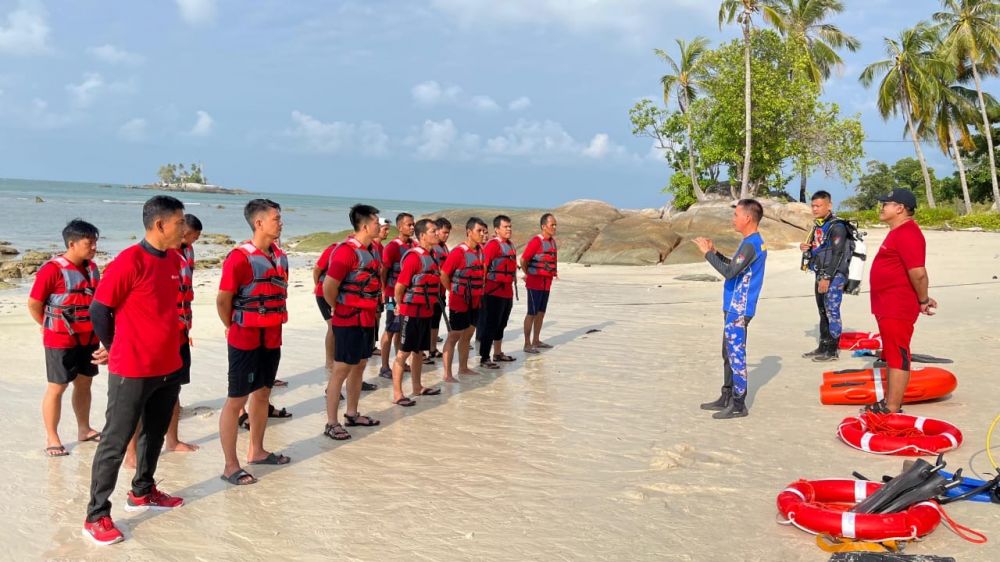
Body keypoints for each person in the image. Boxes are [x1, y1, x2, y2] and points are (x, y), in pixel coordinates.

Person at [83, 196, 187, 545]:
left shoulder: (173, 259)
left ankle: (142, 491)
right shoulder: (129, 261)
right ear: (160, 225)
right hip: (133, 368)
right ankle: (96, 515)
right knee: (115, 441)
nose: (183, 228)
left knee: (154, 434)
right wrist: (114, 347)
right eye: (179, 222)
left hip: (168, 365)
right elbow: (99, 310)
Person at [217, 199, 292, 487]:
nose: (280, 223)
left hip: (272, 337)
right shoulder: (239, 258)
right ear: (258, 223)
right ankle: (230, 466)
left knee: (262, 394)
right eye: (276, 218)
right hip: (244, 338)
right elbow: (223, 300)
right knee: (236, 399)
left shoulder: (280, 257)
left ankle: (256, 451)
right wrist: (232, 325)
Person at [28, 219, 104, 458]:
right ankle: (52, 437)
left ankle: (84, 429)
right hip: (60, 339)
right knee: (57, 386)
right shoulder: (52, 270)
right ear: (72, 244)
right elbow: (34, 303)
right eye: (89, 243)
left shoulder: (92, 268)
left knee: (85, 382)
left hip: (88, 337)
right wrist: (46, 324)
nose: (94, 247)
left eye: (95, 242)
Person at [694, 199, 768, 420]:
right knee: (728, 352)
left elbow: (729, 272)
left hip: (739, 307)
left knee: (736, 355)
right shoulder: (750, 242)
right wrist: (715, 252)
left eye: (736, 215)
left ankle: (738, 404)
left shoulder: (752, 244)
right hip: (734, 305)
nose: (733, 219)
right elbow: (734, 266)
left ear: (748, 218)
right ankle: (726, 396)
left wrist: (707, 254)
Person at [867, 188, 936, 414]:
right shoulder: (897, 232)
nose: (882, 207)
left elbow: (919, 273)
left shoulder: (908, 233)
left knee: (898, 354)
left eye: (886, 204)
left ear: (900, 208)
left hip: (896, 306)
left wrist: (923, 299)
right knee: (892, 353)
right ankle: (889, 402)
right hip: (887, 305)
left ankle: (892, 407)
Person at [321, 204, 383, 440]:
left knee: (360, 365)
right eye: (376, 222)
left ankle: (352, 413)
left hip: (366, 318)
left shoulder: (372, 250)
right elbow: (329, 287)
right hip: (348, 319)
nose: (379, 225)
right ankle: (331, 422)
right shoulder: (346, 252)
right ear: (365, 226)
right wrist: (339, 307)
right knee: (341, 370)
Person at [315, 227, 378, 392]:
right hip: (327, 294)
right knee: (333, 327)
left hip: (357, 302)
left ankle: (353, 379)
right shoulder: (340, 249)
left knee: (358, 359)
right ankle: (330, 362)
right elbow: (317, 270)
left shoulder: (372, 250)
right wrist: (323, 292)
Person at [391, 218, 443, 406]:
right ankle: (398, 394)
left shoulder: (433, 255)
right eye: (433, 231)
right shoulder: (414, 257)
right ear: (422, 236)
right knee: (403, 353)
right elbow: (399, 287)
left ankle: (417, 387)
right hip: (410, 312)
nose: (437, 234)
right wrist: (399, 305)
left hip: (426, 311)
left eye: (437, 231)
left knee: (419, 351)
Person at [800, 191, 852, 362]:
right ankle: (823, 346)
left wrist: (827, 277)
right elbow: (820, 247)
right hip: (820, 273)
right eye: (813, 206)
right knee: (822, 311)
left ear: (829, 205)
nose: (815, 209)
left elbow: (838, 254)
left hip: (833, 275)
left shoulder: (837, 227)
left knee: (832, 311)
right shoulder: (820, 225)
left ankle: (832, 351)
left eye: (819, 206)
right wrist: (806, 248)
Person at [441, 217, 489, 381]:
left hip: (475, 300)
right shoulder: (458, 252)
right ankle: (447, 374)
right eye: (479, 231)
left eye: (484, 231)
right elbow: (444, 275)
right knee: (454, 335)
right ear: (469, 232)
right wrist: (453, 290)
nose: (482, 234)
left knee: (468, 334)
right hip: (459, 300)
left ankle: (463, 368)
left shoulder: (481, 251)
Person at [378, 212, 415, 379]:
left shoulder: (413, 245)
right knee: (390, 328)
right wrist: (383, 292)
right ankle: (384, 366)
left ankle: (400, 363)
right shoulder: (392, 247)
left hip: (407, 296)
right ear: (400, 227)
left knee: (401, 328)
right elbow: (383, 271)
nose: (412, 227)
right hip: (392, 296)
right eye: (409, 225)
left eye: (413, 224)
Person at [478, 215, 518, 366]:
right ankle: (484, 357)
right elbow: (484, 267)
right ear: (496, 229)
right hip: (493, 292)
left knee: (501, 324)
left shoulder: (510, 245)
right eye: (505, 227)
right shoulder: (492, 245)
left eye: (510, 226)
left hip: (507, 292)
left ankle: (497, 353)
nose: (509, 229)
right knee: (490, 325)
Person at [521, 213, 558, 353]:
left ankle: (536, 340)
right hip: (534, 283)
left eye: (555, 225)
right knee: (531, 313)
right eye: (552, 225)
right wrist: (528, 273)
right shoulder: (536, 241)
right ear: (543, 226)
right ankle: (527, 344)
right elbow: (523, 260)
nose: (554, 227)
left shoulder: (552, 242)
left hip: (546, 283)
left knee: (541, 313)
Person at [426, 217, 452, 364]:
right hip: (430, 293)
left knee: (435, 321)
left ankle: (432, 348)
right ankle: (420, 352)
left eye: (448, 233)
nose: (446, 235)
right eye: (444, 232)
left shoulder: (445, 247)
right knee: (426, 322)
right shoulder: (432, 248)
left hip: (441, 292)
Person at [371, 217, 391, 355]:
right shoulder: (372, 246)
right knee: (374, 315)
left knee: (378, 315)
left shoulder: (382, 248)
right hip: (376, 289)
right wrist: (383, 290)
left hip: (381, 289)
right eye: (385, 229)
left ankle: (372, 345)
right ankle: (369, 345)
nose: (387, 232)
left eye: (388, 229)